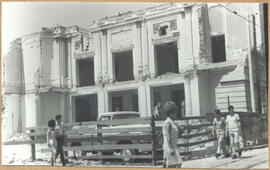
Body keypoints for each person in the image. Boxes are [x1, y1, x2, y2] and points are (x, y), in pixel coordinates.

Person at [162, 101, 184, 168]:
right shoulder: (168, 123)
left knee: (175, 164)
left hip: (173, 146)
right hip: (169, 146)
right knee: (176, 164)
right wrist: (171, 148)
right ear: (170, 113)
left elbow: (176, 134)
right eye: (174, 113)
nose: (175, 115)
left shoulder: (172, 122)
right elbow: (168, 136)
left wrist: (180, 130)